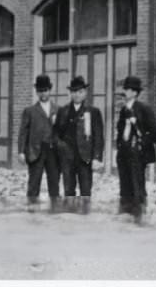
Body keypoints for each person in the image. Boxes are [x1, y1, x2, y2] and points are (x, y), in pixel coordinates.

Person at [53, 76, 104, 215]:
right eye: (74, 91)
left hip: (85, 158)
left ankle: (85, 214)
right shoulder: (63, 111)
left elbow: (98, 137)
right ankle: (70, 214)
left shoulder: (93, 112)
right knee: (69, 188)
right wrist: (61, 146)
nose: (77, 94)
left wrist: (96, 157)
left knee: (86, 188)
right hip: (67, 158)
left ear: (85, 93)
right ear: (70, 93)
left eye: (80, 91)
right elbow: (55, 133)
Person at [115, 75, 156, 222]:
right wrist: (120, 146)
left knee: (137, 183)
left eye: (127, 89)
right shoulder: (123, 110)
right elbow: (121, 130)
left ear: (135, 92)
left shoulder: (144, 109)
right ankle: (125, 211)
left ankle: (139, 213)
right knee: (124, 182)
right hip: (124, 152)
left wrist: (141, 144)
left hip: (137, 154)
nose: (125, 92)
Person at [17, 74, 60, 211]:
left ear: (50, 90)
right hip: (36, 151)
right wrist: (21, 152)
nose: (43, 93)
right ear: (37, 92)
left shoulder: (58, 109)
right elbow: (23, 132)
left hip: (53, 152)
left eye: (45, 90)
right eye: (40, 91)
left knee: (54, 183)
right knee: (34, 184)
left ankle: (55, 211)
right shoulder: (29, 111)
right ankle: (31, 212)